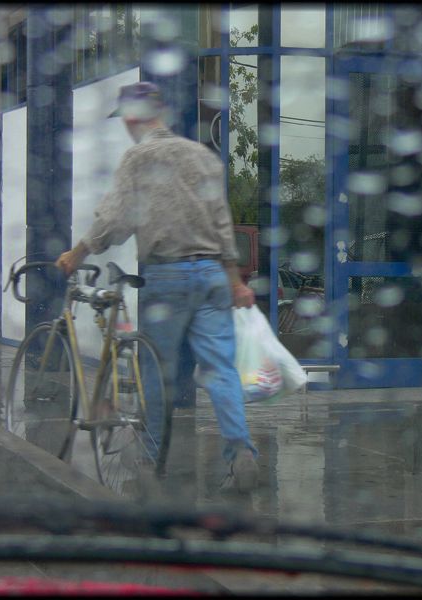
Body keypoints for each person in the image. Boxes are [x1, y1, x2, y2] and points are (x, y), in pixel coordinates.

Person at [55, 81, 259, 493]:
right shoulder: (203, 156)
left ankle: (148, 460)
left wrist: (79, 252)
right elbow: (222, 225)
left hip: (167, 274)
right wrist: (235, 280)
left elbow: (116, 217)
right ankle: (241, 453)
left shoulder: (139, 157)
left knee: (155, 371)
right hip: (213, 275)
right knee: (220, 369)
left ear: (133, 117)